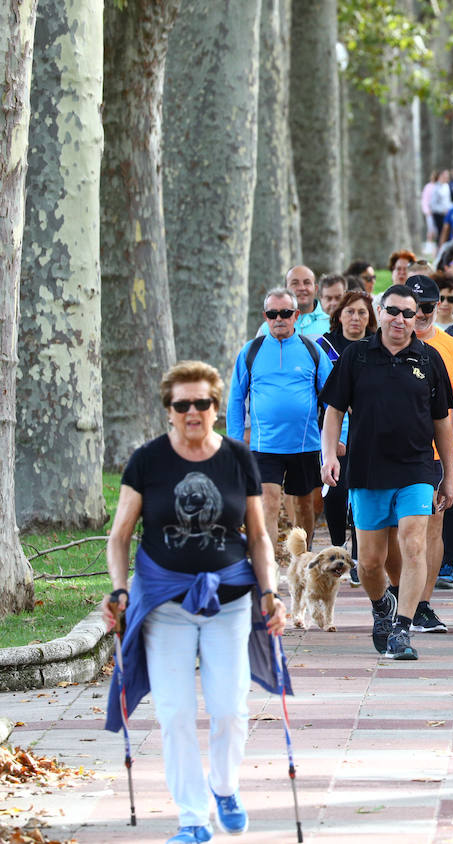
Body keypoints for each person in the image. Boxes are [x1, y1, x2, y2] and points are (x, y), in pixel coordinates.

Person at [103, 361, 287, 844]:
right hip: (165, 604)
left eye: (201, 403)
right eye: (181, 404)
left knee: (229, 708)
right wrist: (119, 589)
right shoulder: (147, 460)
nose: (192, 412)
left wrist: (269, 592)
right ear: (168, 410)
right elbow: (120, 536)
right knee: (175, 712)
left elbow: (259, 536)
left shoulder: (237, 457)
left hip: (228, 600)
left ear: (215, 407)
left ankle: (224, 787)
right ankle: (191, 817)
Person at [320, 285, 453, 661]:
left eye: (408, 313)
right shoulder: (357, 356)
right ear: (379, 312)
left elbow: (442, 422)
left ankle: (402, 628)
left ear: (418, 318)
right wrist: (328, 455)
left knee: (413, 544)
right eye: (393, 311)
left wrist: (448, 473)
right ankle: (383, 606)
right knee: (369, 563)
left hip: (416, 468)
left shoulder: (429, 359)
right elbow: (333, 411)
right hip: (366, 470)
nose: (400, 319)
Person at [228, 288, 333, 546]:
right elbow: (235, 399)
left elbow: (334, 400)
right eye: (273, 314)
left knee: (305, 507)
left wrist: (337, 438)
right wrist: (234, 442)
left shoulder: (312, 350)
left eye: (285, 313)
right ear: (265, 316)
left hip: (305, 444)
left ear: (296, 315)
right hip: (265, 446)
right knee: (268, 504)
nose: (279, 319)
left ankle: (304, 556)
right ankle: (268, 569)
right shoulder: (251, 351)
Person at [409, 276, 453, 632]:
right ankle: (394, 595)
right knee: (396, 533)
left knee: (430, 530)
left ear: (439, 307)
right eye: (412, 307)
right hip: (387, 454)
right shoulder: (380, 345)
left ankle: (421, 604)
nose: (419, 314)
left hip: (435, 453)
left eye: (427, 307)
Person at [316, 291, 376, 575]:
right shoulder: (323, 347)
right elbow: (321, 397)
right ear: (339, 315)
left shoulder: (378, 347)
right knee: (336, 495)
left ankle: (357, 555)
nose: (356, 317)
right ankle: (338, 548)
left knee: (362, 493)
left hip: (369, 434)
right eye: (350, 312)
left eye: (362, 312)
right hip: (335, 432)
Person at [255, 265, 331, 337]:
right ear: (285, 289)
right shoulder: (267, 329)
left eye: (307, 283)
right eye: (295, 283)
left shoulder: (331, 325)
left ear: (316, 289)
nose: (302, 288)